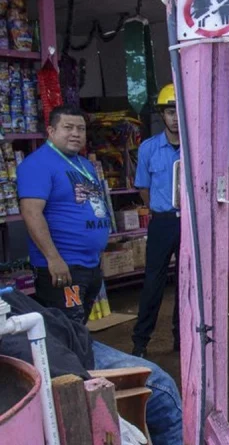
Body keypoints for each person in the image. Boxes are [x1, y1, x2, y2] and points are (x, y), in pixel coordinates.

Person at [0, 288, 182, 445]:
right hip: (55, 356)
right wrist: (92, 398)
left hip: (67, 337)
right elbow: (23, 347)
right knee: (161, 389)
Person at [17, 106, 110, 324]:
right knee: (66, 330)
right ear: (51, 130)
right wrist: (53, 258)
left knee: (79, 327)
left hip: (90, 265)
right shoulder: (38, 164)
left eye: (81, 129)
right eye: (68, 128)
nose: (76, 134)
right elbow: (31, 213)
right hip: (63, 266)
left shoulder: (84, 164)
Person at [131, 84, 182, 358]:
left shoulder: (197, 146)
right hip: (162, 221)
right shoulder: (149, 148)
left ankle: (182, 337)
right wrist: (157, 209)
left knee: (187, 283)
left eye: (178, 111)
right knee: (153, 282)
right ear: (162, 115)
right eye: (169, 111)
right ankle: (140, 342)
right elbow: (143, 187)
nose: (175, 117)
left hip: (190, 224)